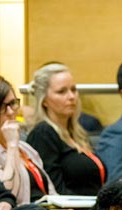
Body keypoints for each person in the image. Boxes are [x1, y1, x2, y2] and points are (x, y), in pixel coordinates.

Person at [26, 63, 106, 195]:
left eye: (73, 90)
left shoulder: (78, 133)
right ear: (44, 100)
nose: (71, 97)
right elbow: (53, 189)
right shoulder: (43, 133)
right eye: (61, 92)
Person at [0, 75, 55, 204]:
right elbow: (7, 197)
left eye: (13, 103)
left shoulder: (26, 148)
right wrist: (11, 146)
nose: (10, 112)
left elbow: (52, 194)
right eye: (1, 107)